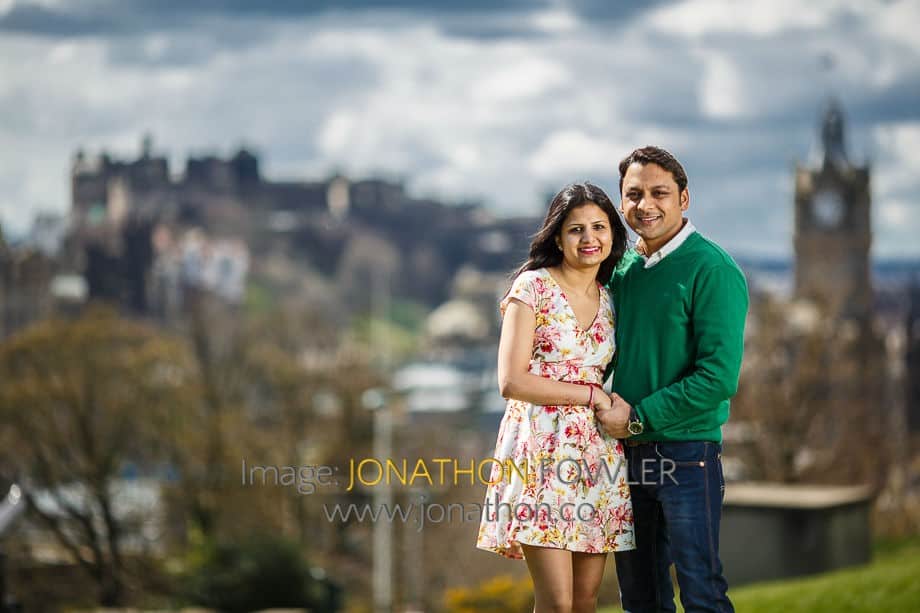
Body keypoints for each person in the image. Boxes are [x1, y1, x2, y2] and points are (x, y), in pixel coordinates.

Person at [595, 146, 749, 613]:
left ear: (684, 198)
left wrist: (637, 419)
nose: (646, 204)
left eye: (659, 193)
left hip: (687, 455)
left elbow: (717, 378)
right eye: (634, 194)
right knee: (640, 597)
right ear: (621, 203)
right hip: (625, 458)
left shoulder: (713, 269)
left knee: (700, 591)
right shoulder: (622, 270)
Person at [476, 182, 635, 613]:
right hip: (539, 452)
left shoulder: (611, 299)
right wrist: (589, 394)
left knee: (585, 600)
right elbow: (511, 381)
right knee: (557, 602)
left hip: (596, 454)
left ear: (613, 235)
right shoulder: (533, 287)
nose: (589, 239)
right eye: (576, 230)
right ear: (557, 237)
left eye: (599, 228)